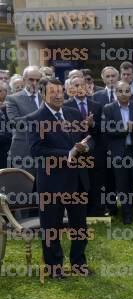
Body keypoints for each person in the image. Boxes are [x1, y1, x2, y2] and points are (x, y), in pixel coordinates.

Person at [28, 78, 94, 279]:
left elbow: (87, 137)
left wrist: (85, 147)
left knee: (79, 226)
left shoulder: (74, 114)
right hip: (51, 183)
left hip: (77, 181)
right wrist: (68, 153)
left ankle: (78, 263)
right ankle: (54, 267)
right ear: (43, 95)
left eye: (60, 91)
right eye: (52, 92)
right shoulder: (35, 119)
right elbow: (36, 150)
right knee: (51, 227)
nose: (58, 95)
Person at [103, 81, 133, 224]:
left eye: (127, 91)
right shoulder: (108, 108)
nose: (124, 94)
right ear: (116, 93)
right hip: (119, 152)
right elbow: (108, 129)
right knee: (123, 185)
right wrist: (126, 128)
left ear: (131, 92)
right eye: (120, 91)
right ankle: (127, 214)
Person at [63, 76, 105, 216]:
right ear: (70, 88)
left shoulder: (96, 106)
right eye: (76, 85)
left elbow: (102, 130)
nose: (80, 88)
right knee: (79, 183)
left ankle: (97, 212)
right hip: (75, 151)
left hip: (94, 151)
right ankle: (81, 212)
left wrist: (92, 125)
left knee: (95, 182)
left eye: (82, 85)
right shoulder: (66, 106)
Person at [6, 66, 42, 175]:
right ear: (24, 79)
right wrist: (40, 115)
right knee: (25, 188)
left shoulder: (46, 98)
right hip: (24, 153)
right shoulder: (13, 99)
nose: (34, 83)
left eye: (37, 80)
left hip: (46, 151)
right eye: (31, 79)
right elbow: (15, 123)